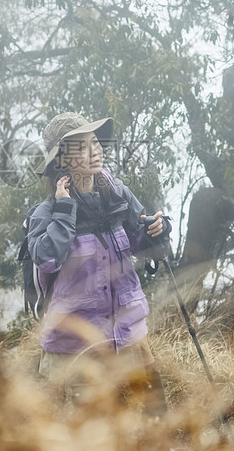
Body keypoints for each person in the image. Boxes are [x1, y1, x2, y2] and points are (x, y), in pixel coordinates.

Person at [27, 112, 169, 412]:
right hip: (79, 350)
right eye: (81, 146)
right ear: (62, 160)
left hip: (129, 338)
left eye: (95, 142)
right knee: (91, 435)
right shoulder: (47, 212)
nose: (95, 150)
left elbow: (141, 244)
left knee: (153, 425)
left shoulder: (117, 195)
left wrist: (157, 229)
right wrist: (65, 210)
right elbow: (47, 259)